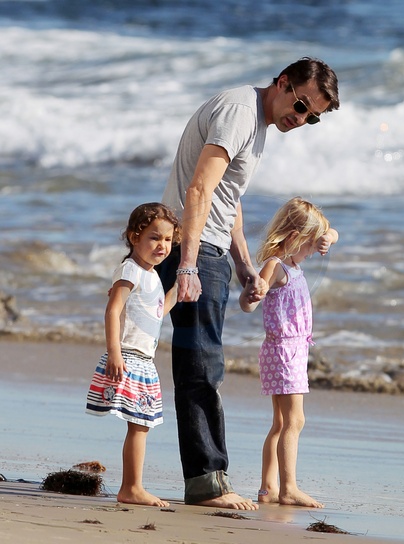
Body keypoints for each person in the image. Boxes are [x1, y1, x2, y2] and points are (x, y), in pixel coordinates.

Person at [157, 57, 340, 510]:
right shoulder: (240, 112)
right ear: (283, 83)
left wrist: (242, 264)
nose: (301, 118)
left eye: (312, 116)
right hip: (196, 248)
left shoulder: (258, 124)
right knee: (200, 368)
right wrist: (188, 264)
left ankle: (208, 477)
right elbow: (199, 188)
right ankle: (207, 483)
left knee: (205, 365)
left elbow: (229, 198)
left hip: (213, 250)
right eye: (300, 105)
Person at [239, 197, 338, 507]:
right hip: (284, 351)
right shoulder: (276, 266)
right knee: (295, 421)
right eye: (310, 244)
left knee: (281, 423)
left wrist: (327, 237)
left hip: (289, 350)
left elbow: (333, 234)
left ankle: (268, 488)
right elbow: (248, 305)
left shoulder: (293, 265)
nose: (313, 251)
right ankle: (288, 488)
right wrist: (254, 292)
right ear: (294, 237)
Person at [86, 202, 181, 507]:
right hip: (128, 357)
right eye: (154, 237)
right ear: (134, 237)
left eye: (168, 239)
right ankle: (131, 488)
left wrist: (177, 291)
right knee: (139, 425)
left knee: (142, 425)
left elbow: (156, 313)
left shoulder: (153, 276)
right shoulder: (130, 270)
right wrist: (114, 352)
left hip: (144, 361)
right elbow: (112, 311)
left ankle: (132, 486)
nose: (162, 245)